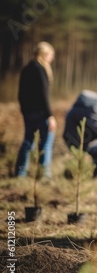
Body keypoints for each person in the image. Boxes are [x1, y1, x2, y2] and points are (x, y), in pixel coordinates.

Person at [15, 41, 57, 179]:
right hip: (40, 113)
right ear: (44, 54)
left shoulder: (26, 69)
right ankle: (44, 175)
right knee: (47, 142)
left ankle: (20, 173)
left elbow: (20, 94)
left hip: (28, 113)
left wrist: (24, 111)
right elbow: (43, 94)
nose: (52, 58)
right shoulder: (40, 69)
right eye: (51, 55)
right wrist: (49, 116)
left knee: (28, 142)